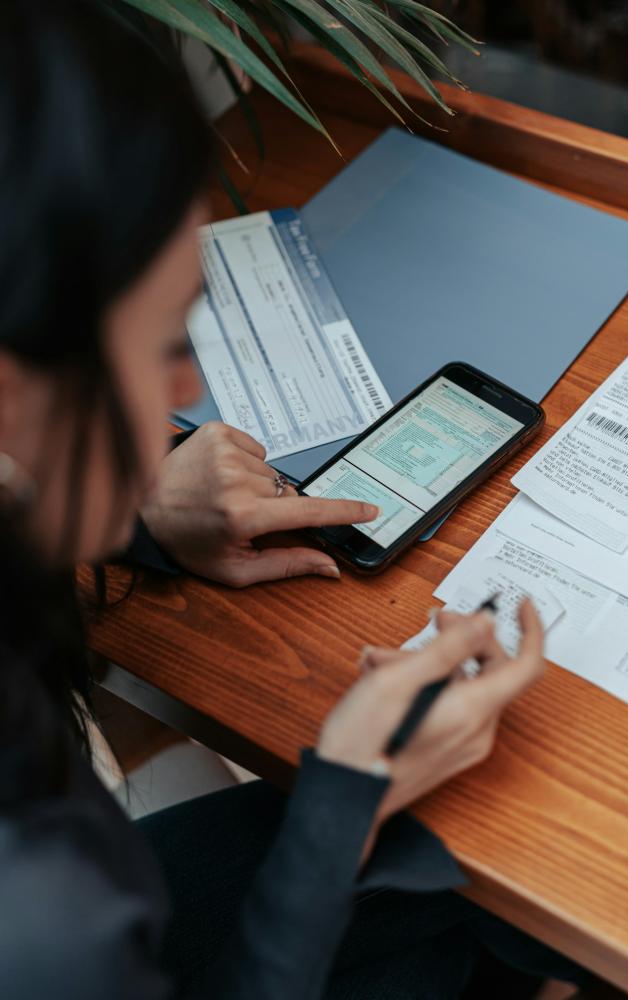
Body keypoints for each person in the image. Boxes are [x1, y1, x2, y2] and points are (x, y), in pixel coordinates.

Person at [0, 3, 589, 998]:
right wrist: (344, 798)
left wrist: (144, 520)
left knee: (476, 900)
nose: (189, 392)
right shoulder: (47, 921)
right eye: (164, 347)